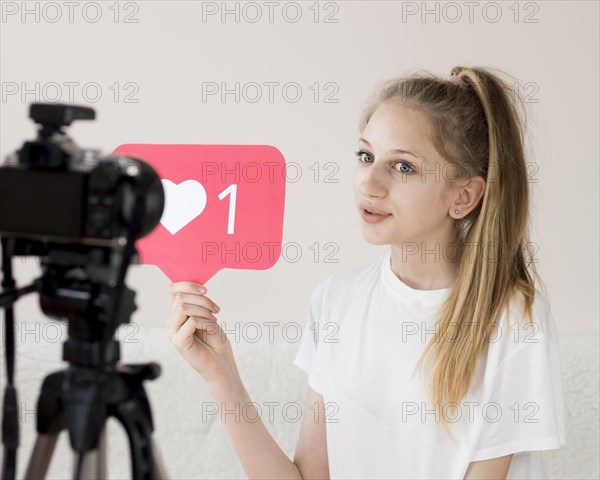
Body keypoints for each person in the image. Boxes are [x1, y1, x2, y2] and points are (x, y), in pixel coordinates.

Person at [166, 65, 566, 479]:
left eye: (403, 167)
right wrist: (220, 374)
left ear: (463, 196)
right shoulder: (335, 300)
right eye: (366, 156)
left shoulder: (514, 319)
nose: (370, 183)